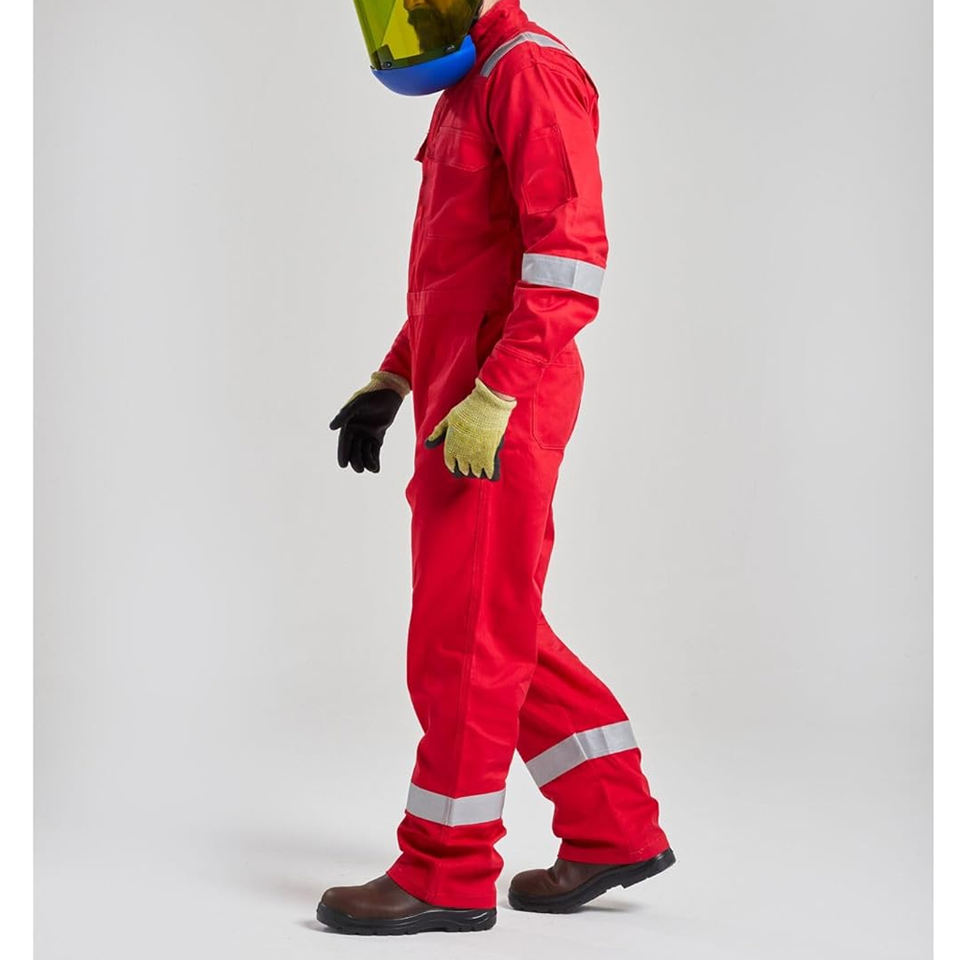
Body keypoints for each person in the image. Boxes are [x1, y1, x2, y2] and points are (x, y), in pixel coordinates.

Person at [320, 0, 674, 935]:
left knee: (464, 640)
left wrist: (496, 395)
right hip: (460, 393)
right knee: (493, 620)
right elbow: (462, 272)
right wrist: (393, 377)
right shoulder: (471, 78)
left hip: (501, 401)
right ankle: (614, 825)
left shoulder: (527, 74)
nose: (400, 19)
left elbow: (570, 261)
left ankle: (446, 870)